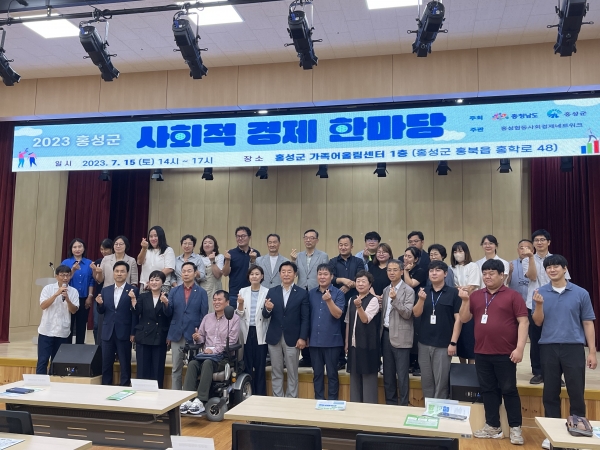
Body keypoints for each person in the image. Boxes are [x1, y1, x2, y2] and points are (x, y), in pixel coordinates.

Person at [459, 259, 528, 445]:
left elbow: (523, 322)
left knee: (509, 390)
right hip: (481, 352)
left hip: (506, 353)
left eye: (491, 273)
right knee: (488, 390)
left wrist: (520, 348)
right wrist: (465, 300)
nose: (487, 277)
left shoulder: (513, 296)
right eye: (485, 273)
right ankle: (492, 426)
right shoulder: (476, 295)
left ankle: (515, 428)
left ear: (502, 276)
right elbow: (464, 318)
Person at [532, 255, 597, 450]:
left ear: (565, 268)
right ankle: (552, 435)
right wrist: (539, 305)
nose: (552, 270)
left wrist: (592, 351)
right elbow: (537, 321)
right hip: (548, 347)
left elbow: (588, 322)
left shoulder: (580, 293)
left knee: (576, 392)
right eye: (548, 267)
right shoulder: (540, 292)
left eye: (556, 266)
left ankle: (579, 433)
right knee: (550, 393)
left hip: (573, 347)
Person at [180, 290, 240, 415]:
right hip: (205, 355)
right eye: (214, 300)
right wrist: (197, 338)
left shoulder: (234, 319)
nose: (216, 302)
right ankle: (187, 399)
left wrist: (213, 350)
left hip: (223, 356)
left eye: (219, 300)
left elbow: (232, 341)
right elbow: (201, 337)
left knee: (207, 363)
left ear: (227, 302)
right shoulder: (207, 318)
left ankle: (201, 401)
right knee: (192, 364)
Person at [522, 229, 571, 385]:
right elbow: (532, 276)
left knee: (555, 340)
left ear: (549, 242)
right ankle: (538, 372)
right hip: (533, 303)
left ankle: (556, 374)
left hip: (555, 305)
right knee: (536, 340)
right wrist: (531, 257)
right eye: (536, 240)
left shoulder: (557, 260)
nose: (539, 242)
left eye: (543, 239)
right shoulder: (526, 260)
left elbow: (566, 282)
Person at [413, 260, 462, 399]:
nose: (434, 273)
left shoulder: (453, 293)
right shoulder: (423, 291)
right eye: (431, 271)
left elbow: (458, 320)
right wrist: (421, 300)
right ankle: (428, 407)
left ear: (445, 274)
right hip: (424, 343)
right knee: (426, 380)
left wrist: (453, 342)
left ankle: (439, 407)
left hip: (443, 344)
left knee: (441, 381)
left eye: (438, 270)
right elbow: (416, 313)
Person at [262, 261, 309, 398]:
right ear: (279, 274)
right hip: (274, 336)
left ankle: (291, 399)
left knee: (292, 371)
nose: (286, 274)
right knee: (276, 370)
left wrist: (302, 337)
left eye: (289, 272)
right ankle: (278, 399)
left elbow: (305, 318)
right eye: (283, 272)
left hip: (293, 338)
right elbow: (265, 315)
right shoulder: (272, 291)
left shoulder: (302, 293)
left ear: (295, 274)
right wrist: (268, 309)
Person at [165, 261, 209, 390]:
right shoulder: (174, 291)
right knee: (176, 368)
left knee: (193, 368)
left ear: (195, 273)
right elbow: (169, 313)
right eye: (183, 271)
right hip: (176, 333)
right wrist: (166, 304)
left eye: (189, 271)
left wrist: (200, 333)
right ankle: (175, 396)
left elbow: (204, 314)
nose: (186, 274)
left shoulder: (201, 292)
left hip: (193, 333)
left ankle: (190, 395)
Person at [96, 261, 138, 386]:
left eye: (122, 271)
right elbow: (102, 311)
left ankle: (124, 386)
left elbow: (135, 313)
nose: (119, 274)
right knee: (106, 363)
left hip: (124, 332)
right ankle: (106, 387)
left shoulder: (133, 290)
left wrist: (133, 332)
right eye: (117, 271)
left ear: (127, 273)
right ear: (113, 273)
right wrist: (100, 304)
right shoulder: (106, 290)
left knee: (125, 363)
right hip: (108, 331)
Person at [291, 229, 328, 367]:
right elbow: (294, 273)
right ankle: (305, 356)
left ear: (317, 240)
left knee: (315, 321)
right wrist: (292, 261)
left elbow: (325, 273)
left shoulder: (323, 256)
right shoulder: (298, 256)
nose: (308, 240)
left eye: (312, 238)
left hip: (316, 292)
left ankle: (317, 356)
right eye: (306, 237)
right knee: (302, 321)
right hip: (301, 292)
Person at [308, 264, 346, 400]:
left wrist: (329, 300)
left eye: (325, 274)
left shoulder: (338, 293)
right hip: (314, 341)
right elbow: (306, 316)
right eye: (320, 274)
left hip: (332, 341)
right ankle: (318, 401)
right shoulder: (311, 293)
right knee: (317, 374)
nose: (322, 277)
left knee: (332, 374)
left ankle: (332, 402)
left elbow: (338, 314)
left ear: (331, 276)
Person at [380, 259, 414, 406]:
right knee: (388, 374)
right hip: (386, 334)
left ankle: (403, 405)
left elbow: (407, 313)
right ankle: (390, 404)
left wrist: (395, 300)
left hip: (401, 337)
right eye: (389, 270)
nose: (391, 273)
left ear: (401, 271)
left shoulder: (409, 290)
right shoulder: (385, 290)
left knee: (402, 375)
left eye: (395, 270)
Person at [345, 270, 380, 404]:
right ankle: (355, 410)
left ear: (370, 284)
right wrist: (347, 342)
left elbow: (365, 319)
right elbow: (348, 322)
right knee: (354, 382)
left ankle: (369, 412)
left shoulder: (373, 300)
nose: (360, 284)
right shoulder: (351, 299)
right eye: (358, 281)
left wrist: (359, 306)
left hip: (368, 346)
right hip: (353, 345)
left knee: (368, 382)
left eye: (363, 281)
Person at [130, 270, 170, 388]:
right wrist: (133, 300)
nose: (154, 282)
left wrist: (166, 304)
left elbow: (170, 315)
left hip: (159, 336)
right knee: (142, 369)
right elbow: (136, 312)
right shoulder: (143, 296)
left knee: (158, 370)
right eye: (151, 280)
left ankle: (158, 393)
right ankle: (141, 394)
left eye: (157, 280)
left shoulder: (167, 296)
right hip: (143, 335)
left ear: (163, 282)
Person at [36, 265, 79, 374]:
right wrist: (56, 294)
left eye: (67, 275)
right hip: (46, 331)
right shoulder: (48, 289)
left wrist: (67, 299)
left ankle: (54, 382)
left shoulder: (73, 291)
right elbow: (43, 306)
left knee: (57, 363)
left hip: (62, 332)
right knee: (42, 361)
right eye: (62, 275)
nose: (65, 278)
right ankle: (39, 383)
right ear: (56, 276)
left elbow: (74, 311)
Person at [330, 235, 364, 370]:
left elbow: (361, 278)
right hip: (337, 302)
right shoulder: (332, 261)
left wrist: (348, 286)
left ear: (351, 246)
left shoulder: (358, 261)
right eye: (341, 244)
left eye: (346, 245)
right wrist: (343, 280)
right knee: (338, 330)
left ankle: (352, 358)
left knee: (353, 330)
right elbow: (331, 278)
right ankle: (340, 359)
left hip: (355, 300)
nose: (343, 247)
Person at [236, 265, 270, 396]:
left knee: (260, 366)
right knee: (247, 365)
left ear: (262, 276)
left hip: (260, 331)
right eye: (252, 274)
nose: (254, 276)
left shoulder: (267, 292)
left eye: (257, 274)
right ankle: (247, 393)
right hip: (246, 331)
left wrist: (268, 308)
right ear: (248, 277)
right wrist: (240, 304)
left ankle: (260, 395)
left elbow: (268, 314)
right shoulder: (243, 291)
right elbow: (239, 314)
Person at [451, 241, 481, 365]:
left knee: (470, 335)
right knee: (460, 336)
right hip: (457, 302)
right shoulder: (451, 268)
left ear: (466, 252)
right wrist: (461, 288)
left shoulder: (473, 266)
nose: (458, 254)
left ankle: (471, 366)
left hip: (471, 303)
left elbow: (472, 286)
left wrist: (460, 288)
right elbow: (451, 287)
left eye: (460, 251)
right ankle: (462, 366)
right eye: (455, 251)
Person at [62, 238, 94, 344]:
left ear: (84, 248)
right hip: (69, 298)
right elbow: (64, 279)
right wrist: (73, 270)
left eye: (80, 246)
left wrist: (90, 296)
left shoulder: (89, 263)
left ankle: (80, 347)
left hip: (84, 298)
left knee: (81, 324)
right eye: (74, 247)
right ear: (71, 249)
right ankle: (67, 347)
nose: (77, 249)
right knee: (69, 324)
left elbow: (91, 281)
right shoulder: (66, 262)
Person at [403, 246, 428, 377]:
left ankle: (418, 364)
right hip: (404, 304)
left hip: (417, 303)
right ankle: (410, 362)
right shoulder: (401, 269)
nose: (406, 259)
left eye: (409, 256)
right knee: (407, 333)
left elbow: (410, 284)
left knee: (417, 333)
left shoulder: (420, 270)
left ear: (416, 259)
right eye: (405, 256)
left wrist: (405, 271)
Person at [223, 226, 260, 309]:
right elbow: (225, 273)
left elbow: (258, 272)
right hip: (235, 293)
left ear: (249, 237)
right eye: (238, 236)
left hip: (253, 292)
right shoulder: (231, 253)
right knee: (235, 316)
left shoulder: (255, 253)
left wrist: (253, 260)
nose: (240, 238)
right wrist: (227, 260)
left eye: (243, 236)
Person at [137, 225, 175, 293]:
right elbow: (139, 262)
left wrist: (153, 281)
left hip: (162, 285)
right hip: (146, 285)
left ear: (161, 236)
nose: (153, 238)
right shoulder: (146, 249)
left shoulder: (168, 250)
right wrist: (143, 249)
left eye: (155, 236)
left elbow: (169, 268)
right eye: (151, 236)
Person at [198, 235, 226, 311]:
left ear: (214, 245)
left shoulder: (219, 256)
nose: (207, 245)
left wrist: (212, 261)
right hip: (200, 287)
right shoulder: (198, 257)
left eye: (210, 243)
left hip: (214, 287)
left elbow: (217, 275)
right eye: (205, 243)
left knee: (213, 310)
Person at [93, 239, 113, 345]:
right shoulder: (98, 262)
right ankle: (97, 346)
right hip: (99, 294)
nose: (103, 251)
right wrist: (94, 270)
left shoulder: (116, 262)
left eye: (106, 249)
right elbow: (97, 280)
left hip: (112, 295)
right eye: (101, 249)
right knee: (96, 324)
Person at [507, 239, 532, 306]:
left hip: (532, 302)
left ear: (532, 251)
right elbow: (505, 282)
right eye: (521, 248)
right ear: (518, 250)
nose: (524, 250)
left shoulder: (535, 264)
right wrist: (510, 272)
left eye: (527, 248)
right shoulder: (510, 264)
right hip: (514, 302)